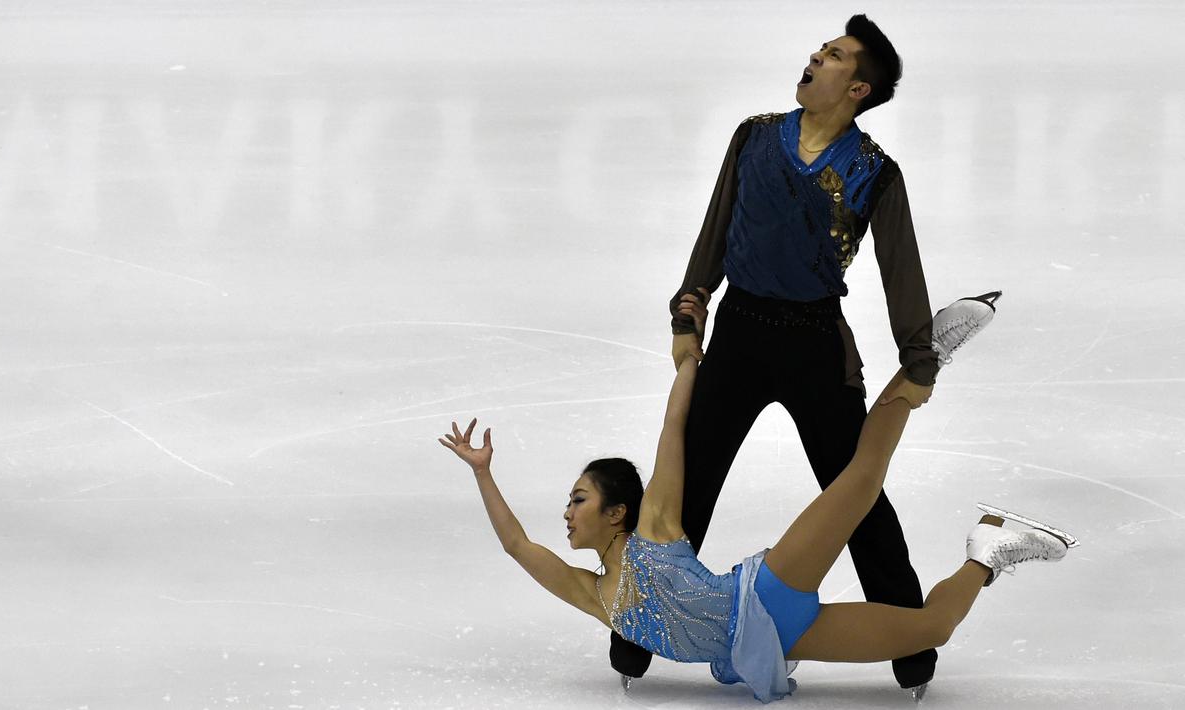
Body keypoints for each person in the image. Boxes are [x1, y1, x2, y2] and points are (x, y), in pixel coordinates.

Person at [437, 295, 1074, 702]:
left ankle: (923, 360)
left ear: (618, 512)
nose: (566, 513)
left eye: (578, 500)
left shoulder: (654, 528)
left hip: (765, 593)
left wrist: (688, 358)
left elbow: (672, 432)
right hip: (773, 647)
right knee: (931, 627)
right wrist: (482, 474)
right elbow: (518, 545)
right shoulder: (594, 596)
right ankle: (989, 550)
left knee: (858, 481)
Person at [643, 13, 943, 696]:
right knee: (686, 489)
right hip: (739, 336)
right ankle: (635, 637)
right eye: (818, 49)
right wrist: (688, 310)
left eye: (833, 55)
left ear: (858, 88)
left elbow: (901, 270)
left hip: (815, 346)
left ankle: (910, 646)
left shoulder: (874, 173)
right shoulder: (752, 137)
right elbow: (714, 229)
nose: (815, 57)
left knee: (855, 497)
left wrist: (918, 362)